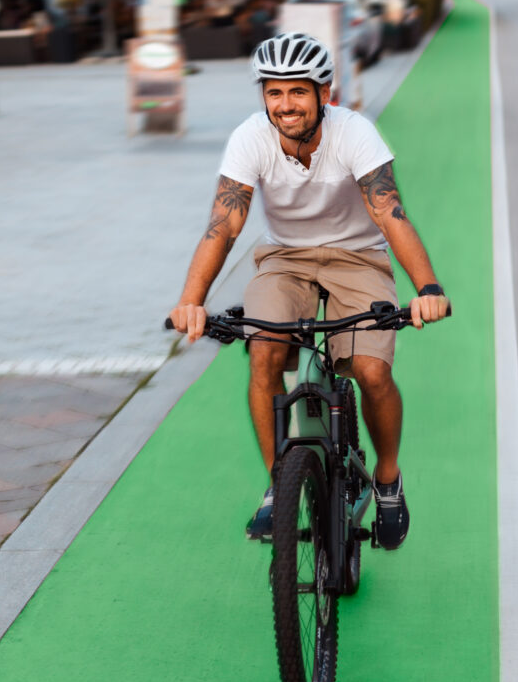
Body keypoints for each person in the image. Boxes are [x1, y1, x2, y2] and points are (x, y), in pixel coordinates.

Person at [168, 32, 450, 548]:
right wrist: (192, 299)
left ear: (325, 93)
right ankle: (281, 483)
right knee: (264, 355)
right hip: (285, 258)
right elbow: (224, 224)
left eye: (298, 91)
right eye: (274, 93)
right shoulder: (250, 138)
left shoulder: (354, 133)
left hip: (357, 257)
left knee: (370, 370)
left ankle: (387, 479)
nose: (285, 105)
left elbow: (390, 213)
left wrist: (427, 287)